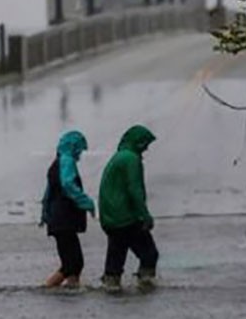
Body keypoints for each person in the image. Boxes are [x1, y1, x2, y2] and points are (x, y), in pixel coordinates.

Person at [98, 124, 159, 292]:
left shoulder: (119, 156)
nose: (146, 148)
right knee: (149, 254)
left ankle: (111, 287)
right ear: (138, 142)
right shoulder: (131, 159)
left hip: (110, 218)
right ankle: (146, 286)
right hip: (126, 217)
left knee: (116, 258)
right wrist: (145, 216)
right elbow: (135, 189)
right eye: (145, 144)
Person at [39, 129, 96, 289]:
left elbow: (48, 192)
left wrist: (44, 214)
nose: (80, 153)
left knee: (74, 263)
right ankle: (47, 288)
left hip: (58, 220)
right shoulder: (66, 161)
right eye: (79, 148)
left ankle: (73, 290)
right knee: (72, 263)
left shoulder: (57, 162)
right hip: (63, 220)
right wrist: (87, 203)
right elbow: (68, 184)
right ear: (73, 146)